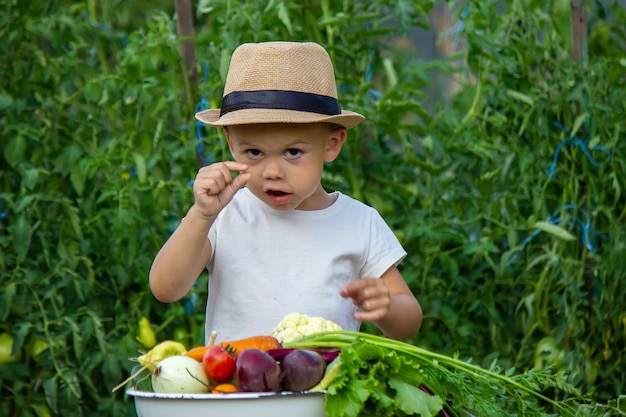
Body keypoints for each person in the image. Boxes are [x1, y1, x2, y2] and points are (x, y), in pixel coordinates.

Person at [149, 41, 422, 343]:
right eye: (253, 152)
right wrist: (201, 215)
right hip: (234, 387)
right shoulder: (224, 215)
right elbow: (165, 288)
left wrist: (387, 307)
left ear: (331, 144)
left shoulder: (359, 223)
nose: (272, 172)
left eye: (292, 152)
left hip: (326, 388)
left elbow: (409, 322)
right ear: (230, 143)